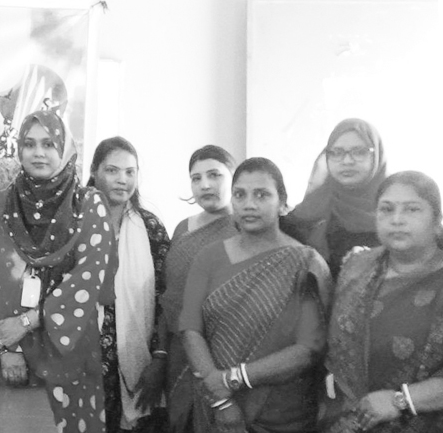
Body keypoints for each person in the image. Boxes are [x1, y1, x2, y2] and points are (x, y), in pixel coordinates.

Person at [0, 110, 116, 432]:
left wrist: (25, 323)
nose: (38, 153)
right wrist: (8, 347)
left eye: (48, 144)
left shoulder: (89, 205)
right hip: (10, 354)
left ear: (65, 149)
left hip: (69, 349)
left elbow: (88, 278)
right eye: (29, 144)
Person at [180, 157, 331, 432]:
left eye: (261, 195)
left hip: (283, 411)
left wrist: (232, 379)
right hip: (215, 406)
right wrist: (222, 402)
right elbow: (190, 328)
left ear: (283, 204)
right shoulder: (208, 257)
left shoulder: (305, 263)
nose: (249, 204)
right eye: (240, 195)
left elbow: (309, 349)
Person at [320, 171, 443, 432]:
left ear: (437, 219)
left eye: (412, 209)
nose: (397, 220)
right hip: (347, 418)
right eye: (386, 209)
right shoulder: (356, 266)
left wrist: (403, 400)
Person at [88, 137, 170, 432]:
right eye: (112, 170)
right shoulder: (74, 223)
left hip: (138, 363)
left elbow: (165, 297)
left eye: (130, 172)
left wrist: (159, 358)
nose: (122, 179)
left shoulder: (149, 228)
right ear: (94, 171)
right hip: (82, 361)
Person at [162, 145, 238, 432]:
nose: (204, 184)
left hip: (227, 351)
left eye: (214, 175)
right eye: (196, 178)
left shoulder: (246, 227)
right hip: (179, 349)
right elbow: (169, 295)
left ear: (234, 178)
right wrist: (160, 353)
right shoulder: (183, 228)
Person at [282, 118, 386, 277]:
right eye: (336, 153)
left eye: (359, 152)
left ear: (377, 155)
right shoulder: (310, 212)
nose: (347, 161)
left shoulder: (395, 211)